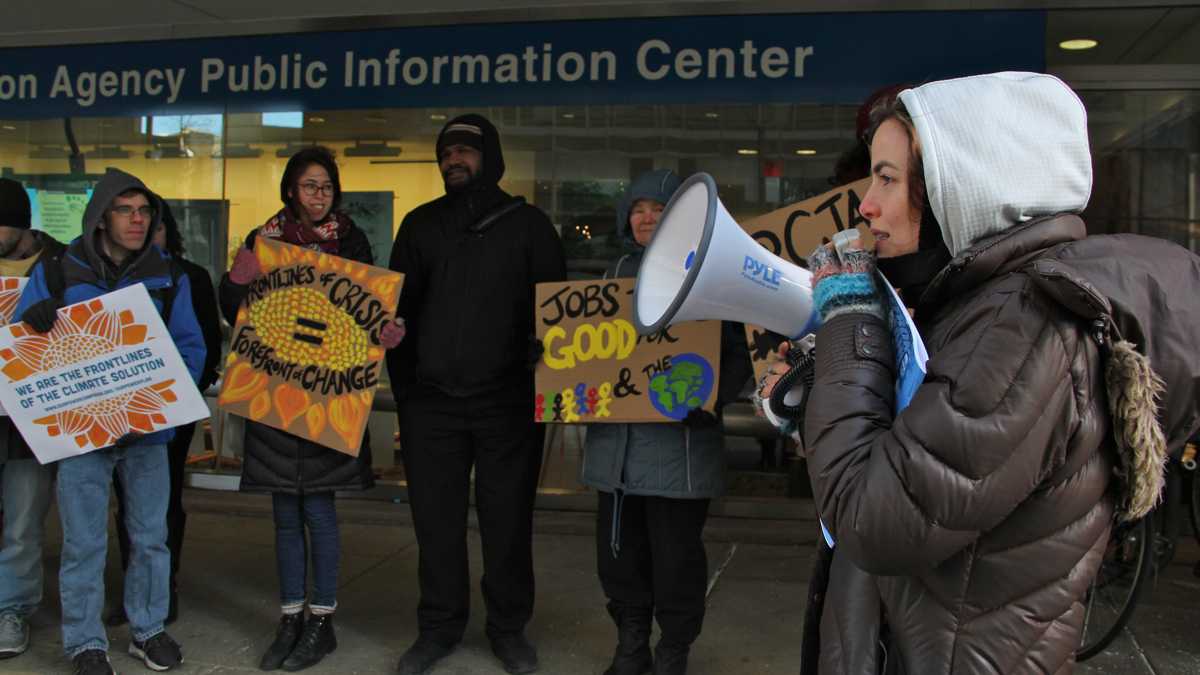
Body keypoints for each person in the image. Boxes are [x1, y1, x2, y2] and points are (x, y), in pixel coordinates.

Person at [757, 72, 1174, 674]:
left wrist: (849, 324)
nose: (865, 205)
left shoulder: (1023, 330)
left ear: (964, 187)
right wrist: (813, 398)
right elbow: (906, 452)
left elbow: (872, 518)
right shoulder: (966, 301)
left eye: (888, 179)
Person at [387, 114, 566, 675]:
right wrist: (409, 397)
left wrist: (543, 370)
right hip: (431, 406)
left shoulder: (532, 228)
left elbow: (558, 318)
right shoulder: (418, 227)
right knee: (434, 524)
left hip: (508, 406)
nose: (453, 161)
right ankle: (438, 628)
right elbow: (397, 319)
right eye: (446, 153)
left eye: (465, 151)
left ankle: (508, 629)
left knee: (507, 522)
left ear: (490, 156)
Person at [218, 146, 405, 672]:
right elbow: (232, 311)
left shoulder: (352, 240)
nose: (318, 196)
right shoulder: (264, 239)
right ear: (290, 191)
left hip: (327, 397)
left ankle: (321, 622)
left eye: (326, 187)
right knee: (283, 515)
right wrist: (236, 280)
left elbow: (372, 312)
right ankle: (290, 618)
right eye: (309, 186)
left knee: (320, 514)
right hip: (275, 397)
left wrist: (388, 330)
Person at [14, 168, 206, 675]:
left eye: (145, 211)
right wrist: (32, 319)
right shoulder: (59, 269)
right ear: (101, 218)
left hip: (147, 433)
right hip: (81, 435)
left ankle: (148, 629)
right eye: (125, 210)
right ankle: (84, 642)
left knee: (150, 536)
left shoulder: (171, 275)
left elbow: (190, 349)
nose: (137, 220)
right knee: (83, 541)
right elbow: (22, 345)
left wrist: (153, 408)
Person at [580, 169, 751, 675]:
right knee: (619, 556)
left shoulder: (707, 273)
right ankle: (631, 644)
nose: (646, 217)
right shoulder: (611, 275)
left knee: (676, 559)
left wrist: (714, 399)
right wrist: (552, 361)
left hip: (680, 448)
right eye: (637, 209)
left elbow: (737, 351)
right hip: (616, 452)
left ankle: (672, 649)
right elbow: (586, 351)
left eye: (658, 208)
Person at [108, 200, 223, 627]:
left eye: (153, 226)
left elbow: (207, 344)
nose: (143, 232)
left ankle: (163, 585)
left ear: (166, 232)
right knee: (126, 501)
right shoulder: (116, 278)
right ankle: (132, 586)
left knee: (165, 499)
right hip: (122, 412)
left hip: (172, 411)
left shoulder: (188, 277)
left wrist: (179, 398)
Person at [0, 177, 65, 662]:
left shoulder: (61, 263)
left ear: (21, 224)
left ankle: (12, 608)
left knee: (23, 519)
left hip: (30, 415)